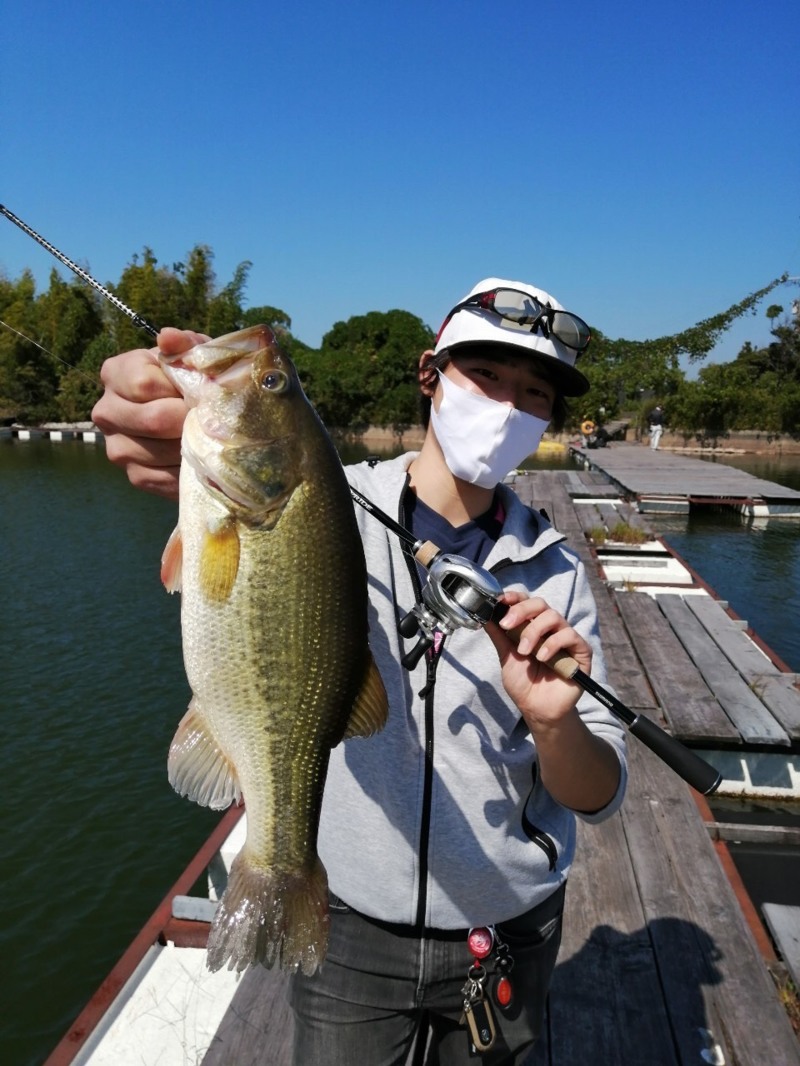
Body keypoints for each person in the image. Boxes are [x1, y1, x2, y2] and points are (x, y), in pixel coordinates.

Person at [92, 277, 627, 1065]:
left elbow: (599, 793)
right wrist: (161, 422)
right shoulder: (329, 501)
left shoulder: (557, 575)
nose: (509, 405)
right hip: (349, 924)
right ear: (429, 375)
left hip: (507, 928)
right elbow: (208, 470)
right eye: (488, 376)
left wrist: (554, 721)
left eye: (534, 393)